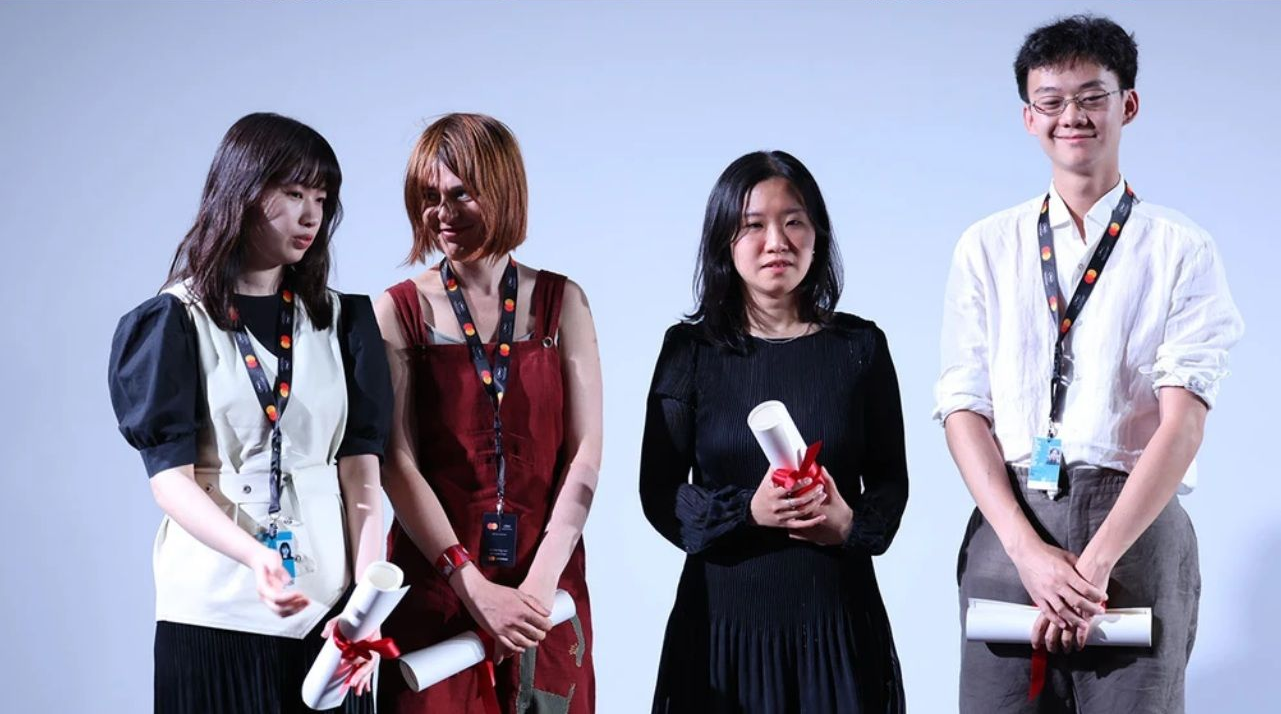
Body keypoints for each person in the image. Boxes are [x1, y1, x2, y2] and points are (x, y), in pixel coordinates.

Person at [935, 15, 1245, 714]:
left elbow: (1182, 424)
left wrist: (1095, 564)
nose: (1070, 115)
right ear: (1028, 117)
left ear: (1126, 105)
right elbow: (962, 409)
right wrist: (1028, 553)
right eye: (1050, 100)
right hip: (1012, 523)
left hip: (1133, 533)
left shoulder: (1181, 249)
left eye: (1090, 96)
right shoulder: (985, 245)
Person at [108, 112, 392, 713]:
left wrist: (367, 606)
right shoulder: (174, 319)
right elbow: (170, 482)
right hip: (215, 611)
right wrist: (255, 556)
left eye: (321, 198)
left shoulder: (344, 322)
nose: (311, 216)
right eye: (293, 194)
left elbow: (362, 477)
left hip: (330, 618)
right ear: (241, 193)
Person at [640, 150, 908, 713]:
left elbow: (891, 482)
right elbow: (658, 493)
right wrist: (748, 512)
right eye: (753, 225)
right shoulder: (689, 351)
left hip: (836, 626)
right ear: (724, 240)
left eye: (794, 222)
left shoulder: (860, 348)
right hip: (721, 632)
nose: (776, 242)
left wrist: (848, 523)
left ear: (817, 235)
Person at [375, 113, 599, 713]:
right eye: (429, 197)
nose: (442, 213)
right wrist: (469, 583)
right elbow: (397, 463)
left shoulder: (563, 302)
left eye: (460, 194)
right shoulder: (398, 312)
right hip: (438, 592)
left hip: (544, 592)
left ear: (502, 191)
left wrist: (541, 582)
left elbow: (585, 455)